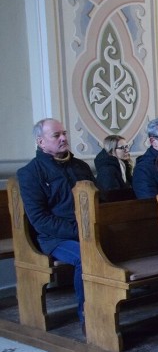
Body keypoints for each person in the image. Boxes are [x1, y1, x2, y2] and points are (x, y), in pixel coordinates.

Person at [18, 118, 95, 324]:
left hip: (87, 231)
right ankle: (88, 316)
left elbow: (97, 201)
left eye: (64, 133)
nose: (63, 138)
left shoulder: (80, 167)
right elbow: (40, 219)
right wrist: (80, 231)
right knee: (85, 256)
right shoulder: (30, 173)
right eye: (56, 135)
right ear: (40, 142)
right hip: (54, 238)